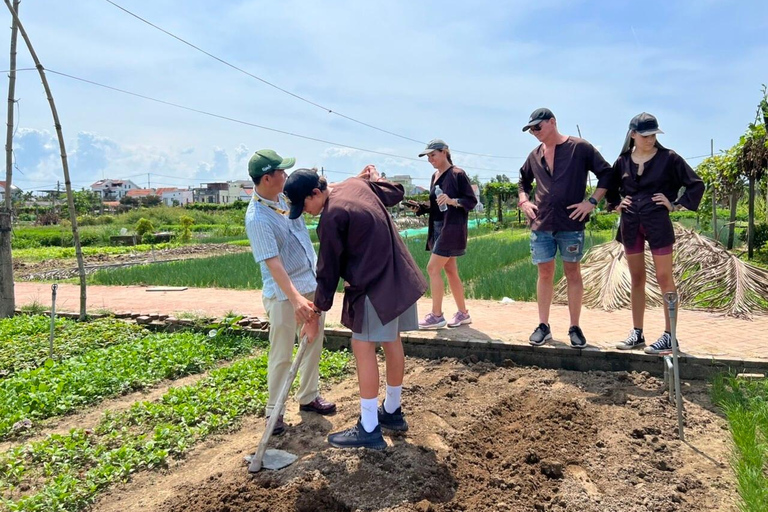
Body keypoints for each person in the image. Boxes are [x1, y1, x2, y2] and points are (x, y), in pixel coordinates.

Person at [284, 167, 427, 450]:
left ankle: (370, 427)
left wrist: (315, 314)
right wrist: (373, 178)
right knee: (391, 340)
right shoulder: (354, 185)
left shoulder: (332, 215)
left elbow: (328, 270)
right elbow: (395, 192)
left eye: (306, 205)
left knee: (362, 347)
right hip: (400, 275)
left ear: (316, 193)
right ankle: (393, 411)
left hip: (376, 284)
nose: (307, 212)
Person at [244, 149, 336, 437]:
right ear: (268, 178)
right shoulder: (257, 218)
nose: (286, 175)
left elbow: (319, 192)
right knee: (282, 353)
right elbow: (273, 264)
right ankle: (275, 410)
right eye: (281, 172)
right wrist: (296, 298)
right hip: (283, 295)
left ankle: (308, 396)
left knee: (312, 342)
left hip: (309, 282)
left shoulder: (286, 198)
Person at [609, 113, 704, 353]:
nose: (650, 139)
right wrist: (615, 204)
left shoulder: (669, 158)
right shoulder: (622, 161)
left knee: (664, 278)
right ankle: (637, 333)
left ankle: (670, 335)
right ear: (633, 135)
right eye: (645, 135)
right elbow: (608, 187)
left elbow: (696, 183)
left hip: (658, 222)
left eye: (653, 134)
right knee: (637, 278)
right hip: (631, 223)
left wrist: (675, 204)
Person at [518, 108, 613, 348]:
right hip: (541, 224)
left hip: (570, 222)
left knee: (572, 272)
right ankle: (543, 325)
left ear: (552, 122)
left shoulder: (579, 148)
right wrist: (523, 200)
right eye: (531, 130)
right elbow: (522, 180)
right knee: (545, 273)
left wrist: (591, 202)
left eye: (537, 127)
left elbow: (607, 174)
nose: (534, 133)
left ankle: (575, 327)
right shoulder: (534, 155)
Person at [410, 139, 477, 330]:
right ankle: (463, 314)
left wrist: (452, 200)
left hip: (452, 228)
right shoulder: (435, 176)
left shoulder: (457, 174)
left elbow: (470, 201)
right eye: (428, 156)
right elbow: (438, 205)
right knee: (450, 270)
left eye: (433, 155)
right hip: (439, 226)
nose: (430, 159)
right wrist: (423, 207)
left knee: (432, 268)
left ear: (445, 152)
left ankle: (436, 316)